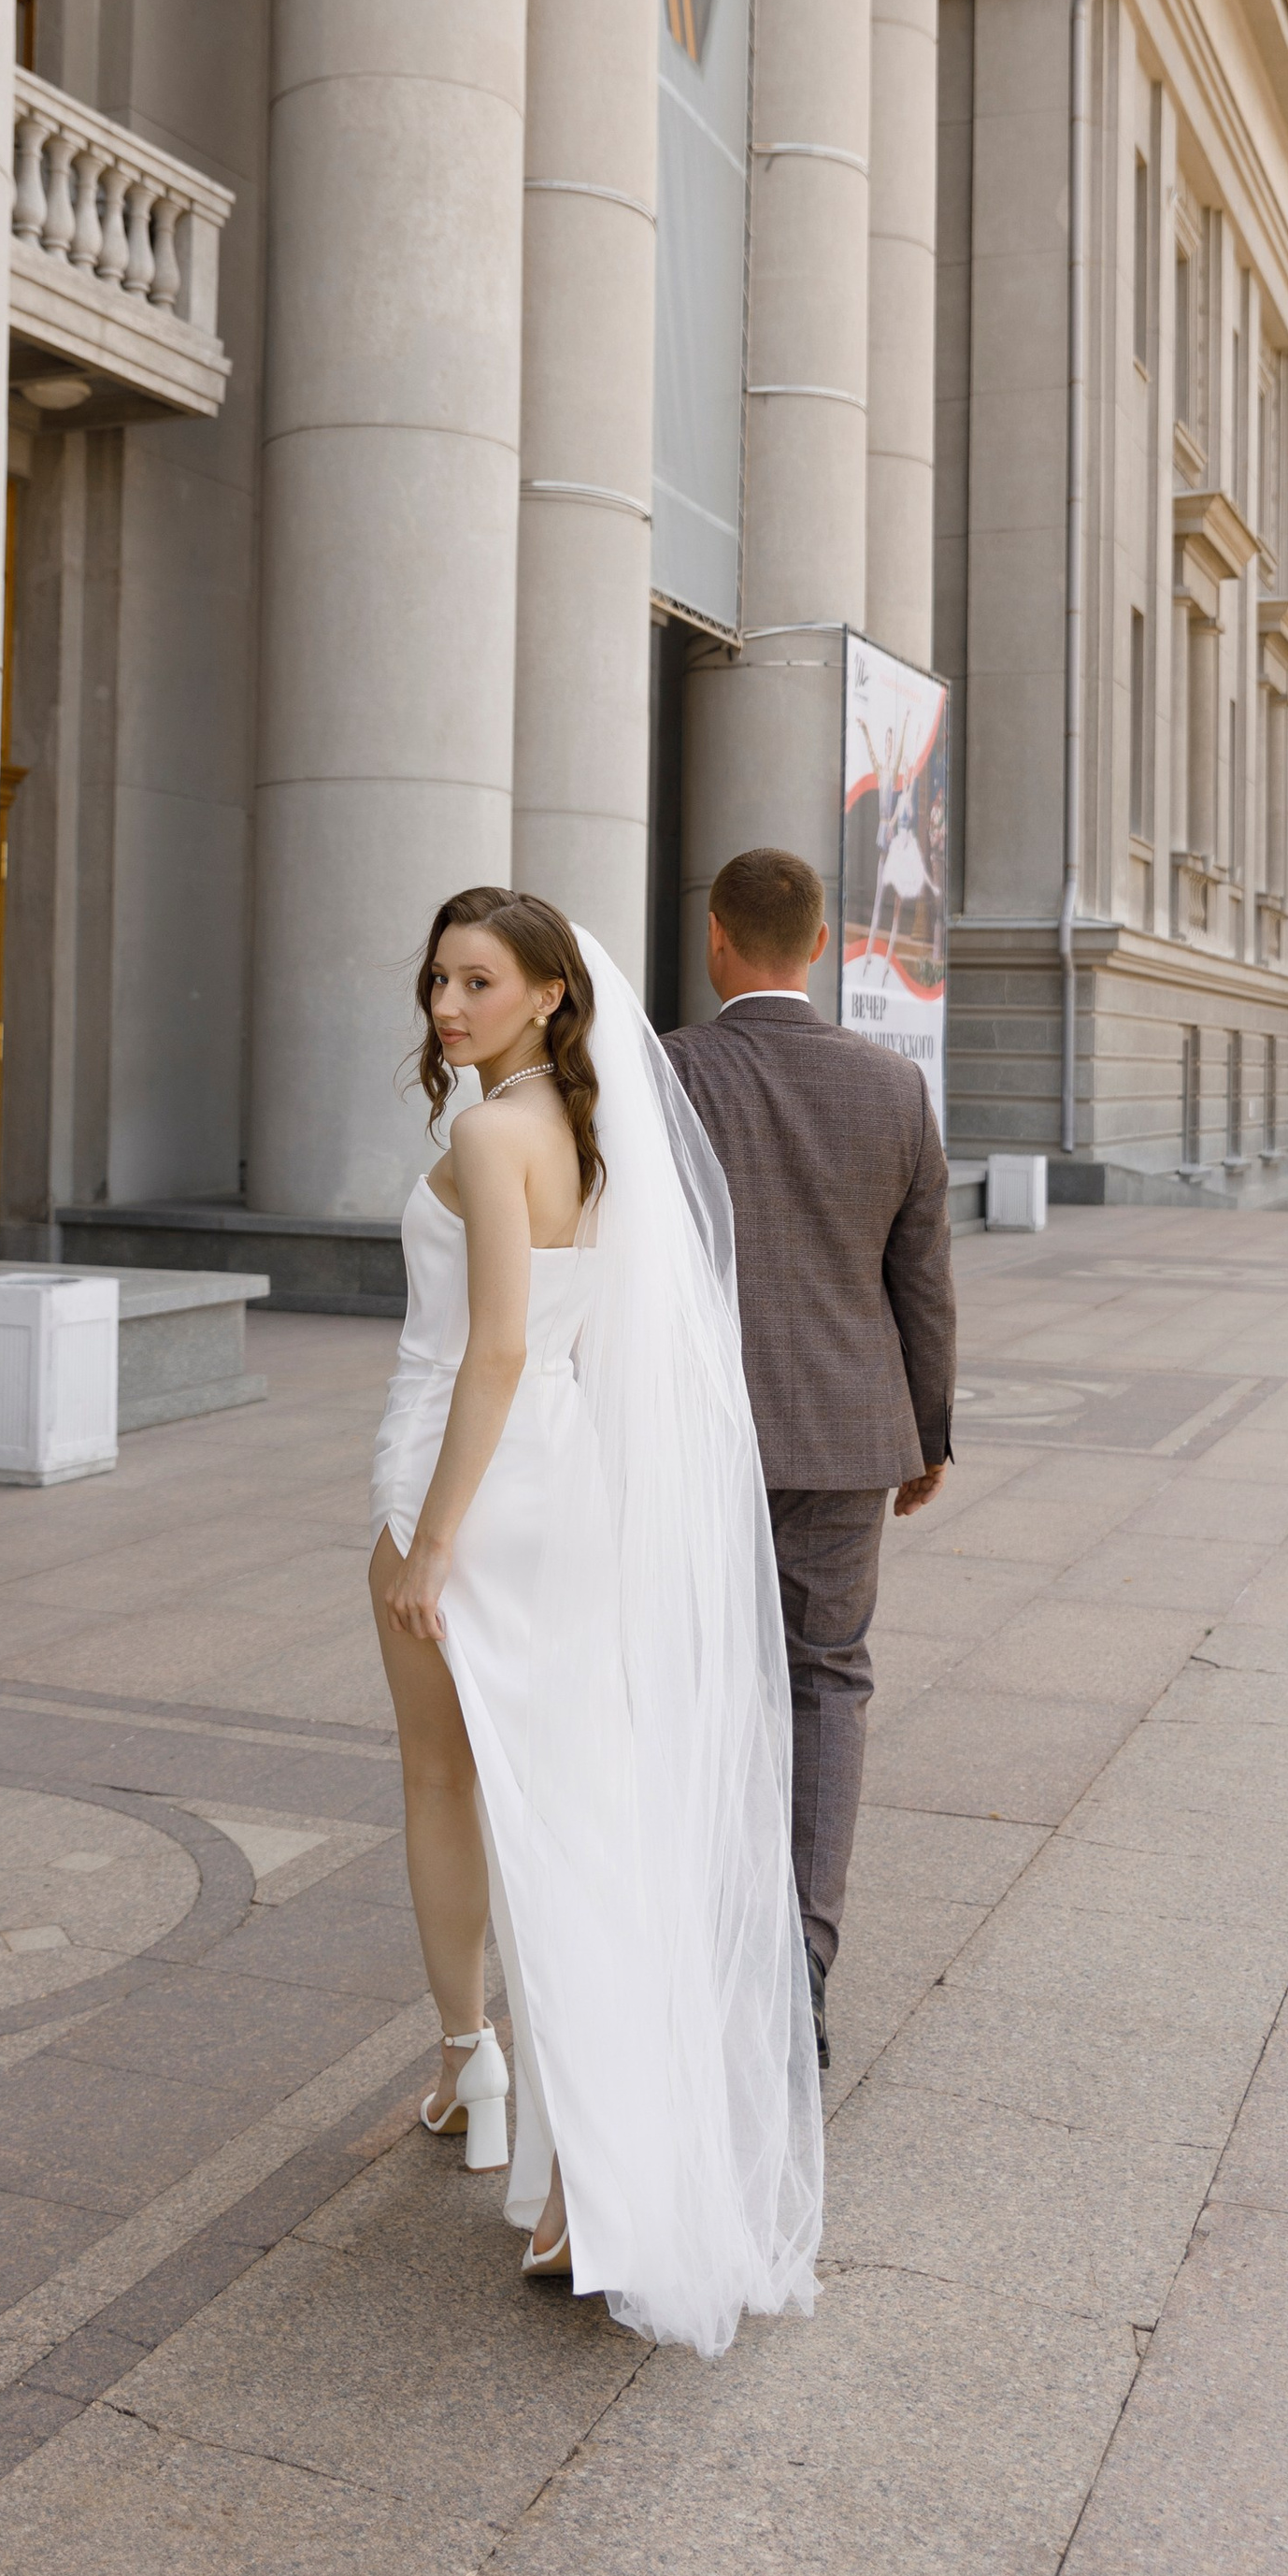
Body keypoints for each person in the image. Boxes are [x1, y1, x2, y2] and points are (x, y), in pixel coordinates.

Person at [367, 886, 823, 2359]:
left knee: (450, 1787)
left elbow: (493, 1343)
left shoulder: (491, 1133)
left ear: (553, 995)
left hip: (465, 1478)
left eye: (481, 983)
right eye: (439, 980)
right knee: (571, 1810)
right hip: (559, 1483)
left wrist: (430, 1542)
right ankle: (573, 2159)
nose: (449, 1007)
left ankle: (471, 2066)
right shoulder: (585, 1135)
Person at [665, 847, 954, 2071]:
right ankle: (802, 1977)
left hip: (699, 1441)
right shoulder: (894, 1088)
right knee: (825, 1685)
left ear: (717, 938)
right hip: (846, 1439)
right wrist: (927, 1431)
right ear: (822, 944)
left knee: (702, 1689)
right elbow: (921, 1283)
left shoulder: (666, 1074)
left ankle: (709, 1949)